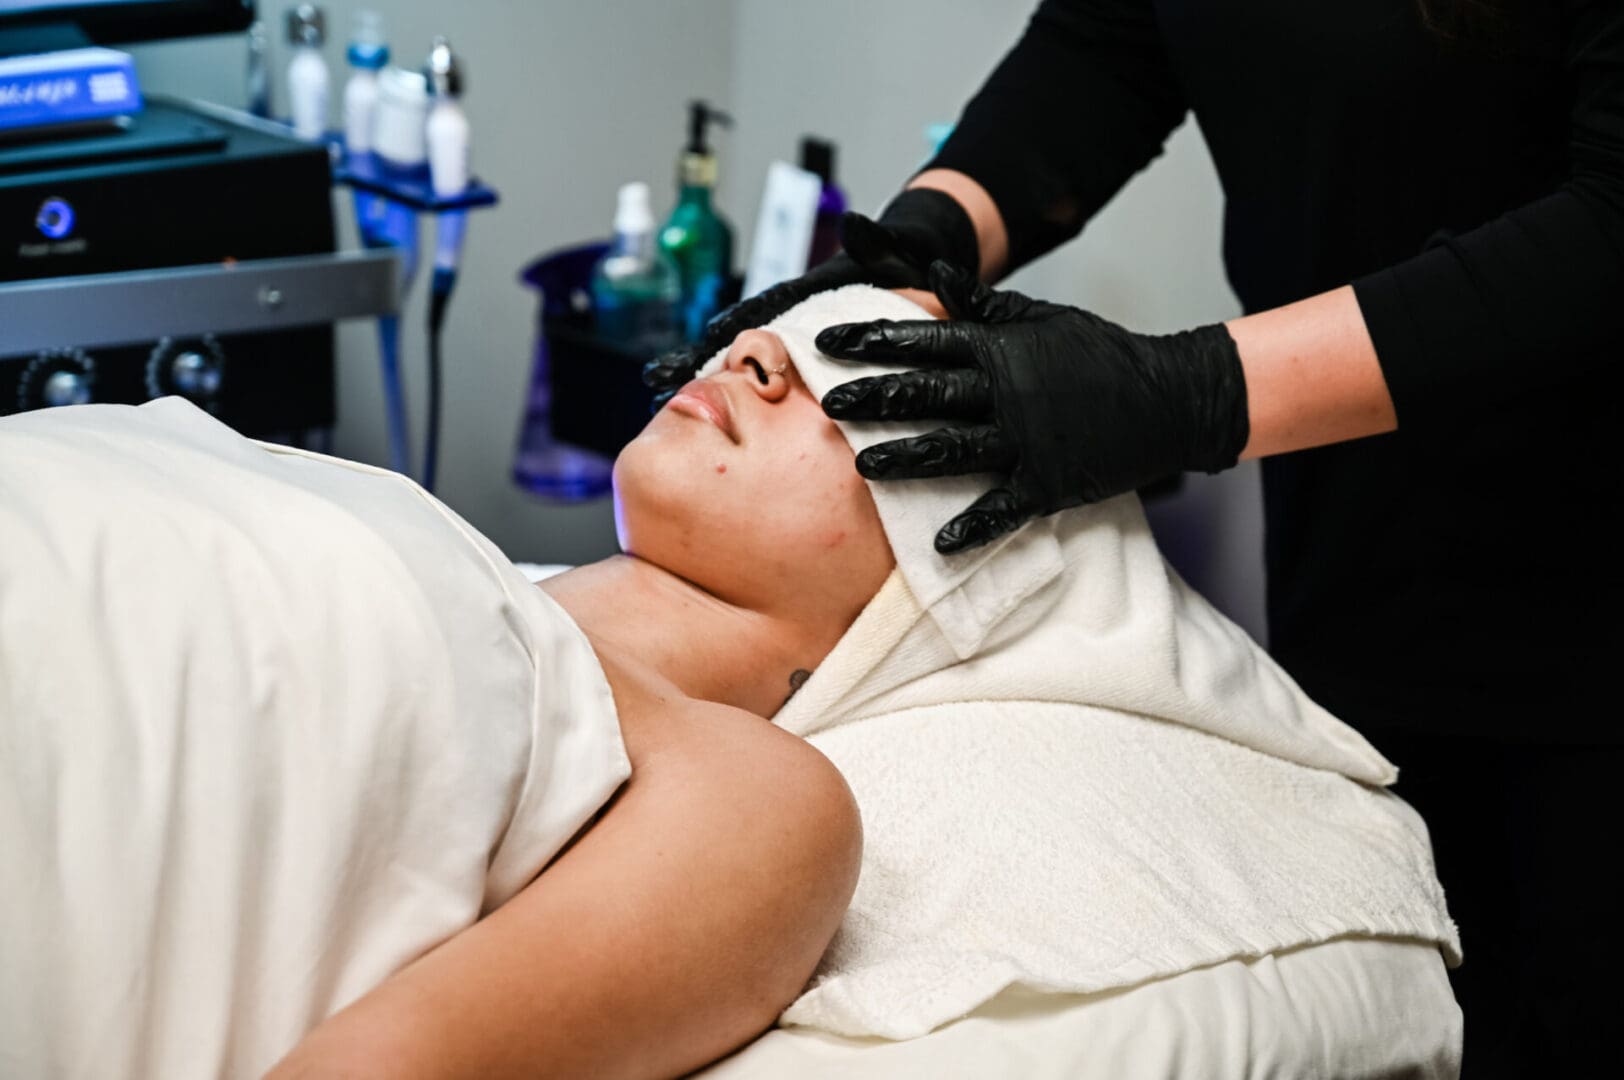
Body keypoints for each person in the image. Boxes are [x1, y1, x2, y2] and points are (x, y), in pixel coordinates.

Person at [646, 1, 1621, 1071]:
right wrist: (922, 244)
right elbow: (1104, 45)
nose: (764, 364)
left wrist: (1189, 392)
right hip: (1367, 558)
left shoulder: (787, 814)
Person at [0, 329, 885, 1079]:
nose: (758, 349)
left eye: (869, 390)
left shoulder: (756, 794)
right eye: (793, 332)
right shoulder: (406, 527)